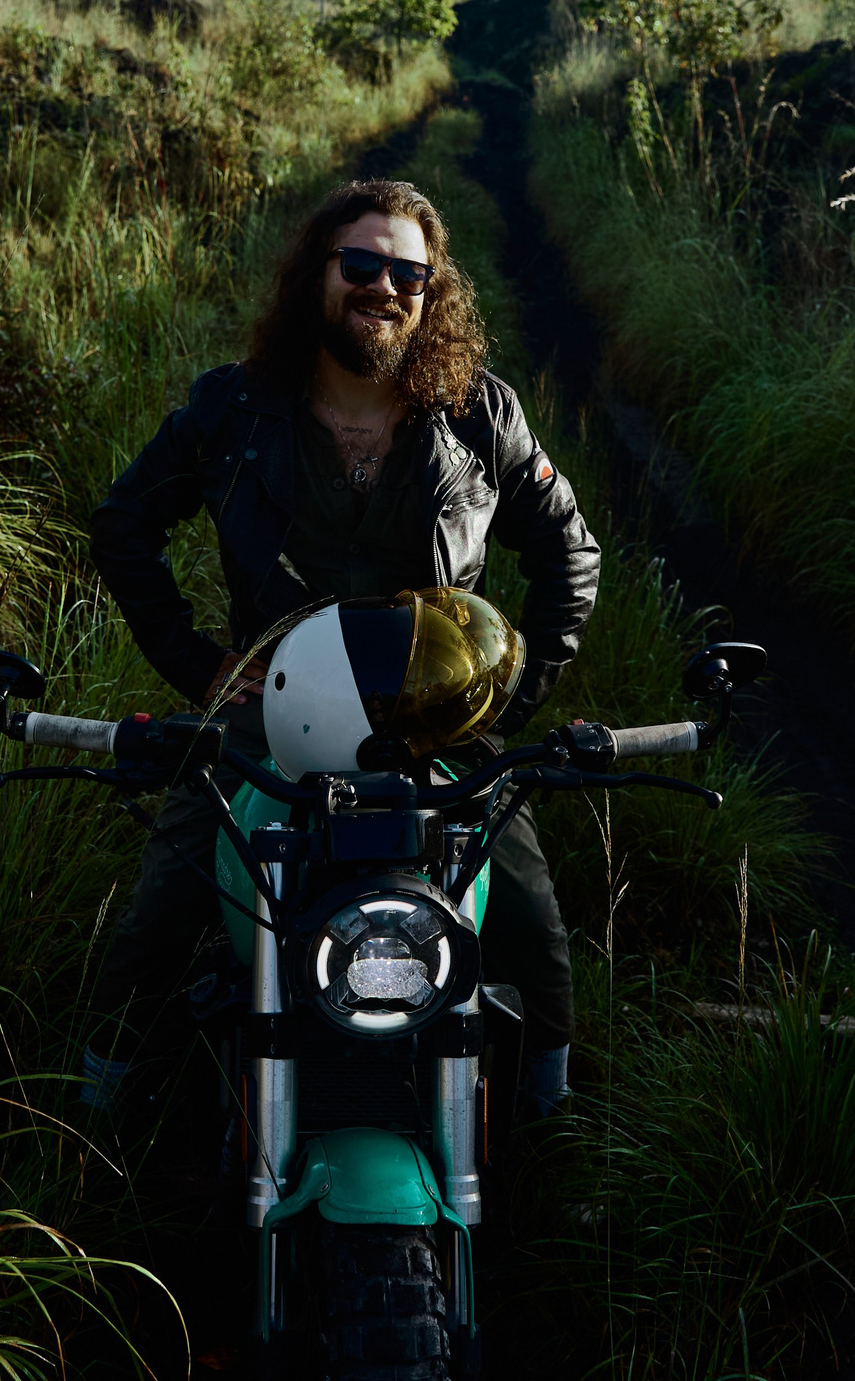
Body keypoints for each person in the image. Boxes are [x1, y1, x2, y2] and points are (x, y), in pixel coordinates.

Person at [85, 177, 601, 1116]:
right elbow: (122, 524)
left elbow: (570, 549)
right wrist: (199, 666)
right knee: (160, 912)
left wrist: (516, 699)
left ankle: (552, 1121)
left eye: (411, 271)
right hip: (273, 719)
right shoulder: (232, 410)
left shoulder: (480, 414)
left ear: (432, 291)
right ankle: (93, 1118)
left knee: (531, 921)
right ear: (317, 273)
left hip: (439, 728)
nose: (386, 286)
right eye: (361, 263)